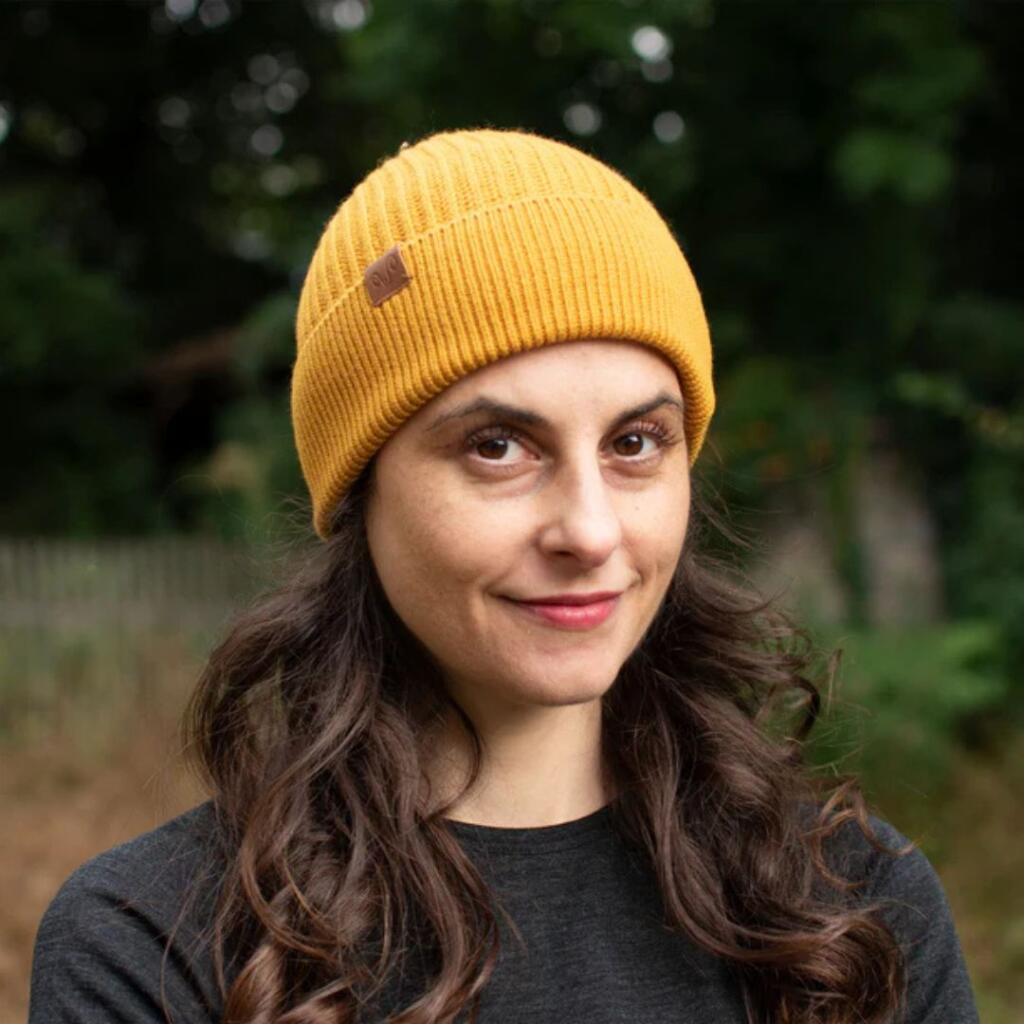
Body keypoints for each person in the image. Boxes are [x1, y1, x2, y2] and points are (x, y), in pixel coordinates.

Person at [28, 126, 980, 1024]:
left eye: (635, 443)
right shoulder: (157, 947)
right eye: (497, 446)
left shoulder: (849, 913)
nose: (590, 531)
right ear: (360, 490)